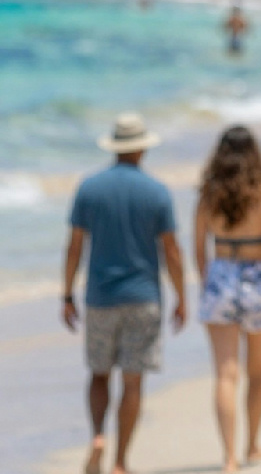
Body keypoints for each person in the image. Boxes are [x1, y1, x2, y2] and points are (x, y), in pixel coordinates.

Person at [62, 114, 186, 474]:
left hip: (100, 297)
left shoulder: (89, 188)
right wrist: (181, 297)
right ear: (143, 147)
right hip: (144, 297)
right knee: (133, 382)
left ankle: (98, 435)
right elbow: (172, 252)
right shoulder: (157, 191)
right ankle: (119, 461)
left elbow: (74, 247)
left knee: (99, 374)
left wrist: (66, 294)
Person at [195, 127, 261, 473]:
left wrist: (206, 282)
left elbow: (198, 248)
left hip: (221, 274)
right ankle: (252, 443)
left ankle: (228, 458)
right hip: (258, 279)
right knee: (257, 373)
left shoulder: (208, 195)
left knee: (226, 374)